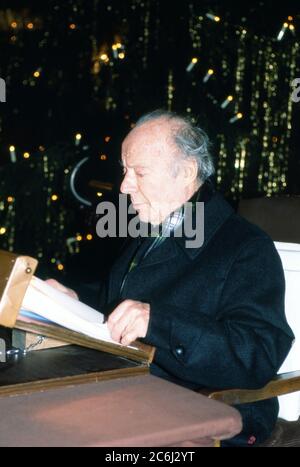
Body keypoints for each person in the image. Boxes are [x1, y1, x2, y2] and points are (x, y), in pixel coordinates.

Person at [49, 110, 294, 447]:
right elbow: (122, 303)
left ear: (187, 172)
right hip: (135, 394)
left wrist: (157, 322)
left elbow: (256, 355)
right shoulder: (154, 229)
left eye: (140, 172)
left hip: (211, 413)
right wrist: (70, 300)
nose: (124, 186)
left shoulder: (246, 247)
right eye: (125, 171)